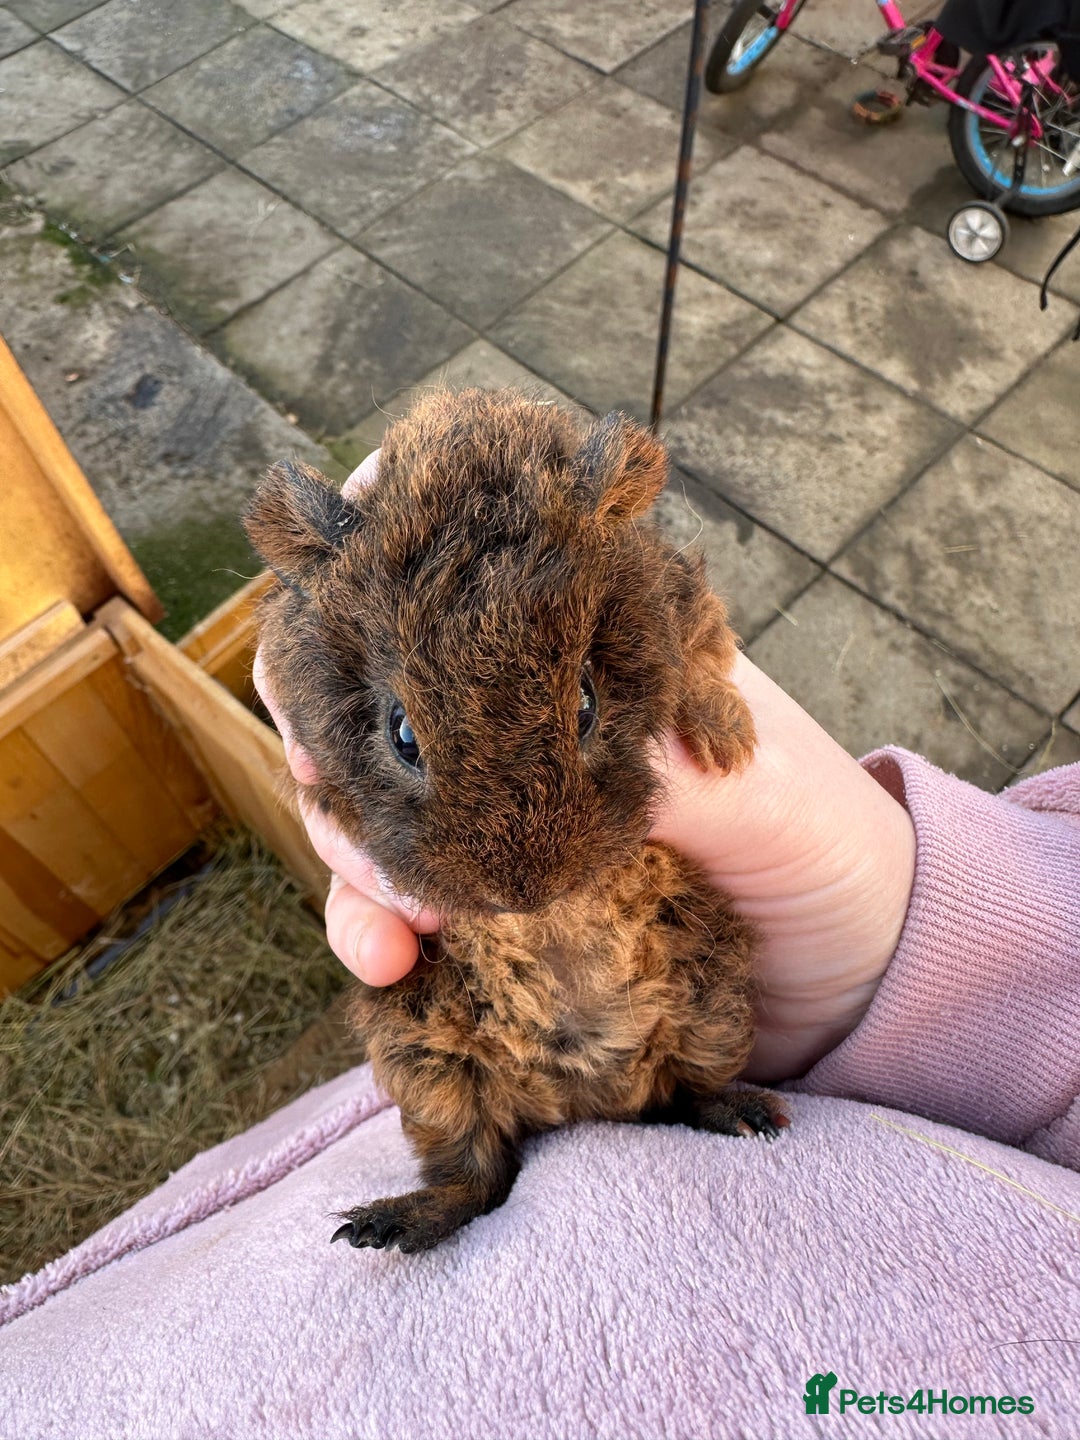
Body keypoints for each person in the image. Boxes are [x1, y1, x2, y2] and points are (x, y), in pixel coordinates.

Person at [2, 455, 1077, 1440]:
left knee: (691, 981)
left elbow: (687, 611)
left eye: (579, 708)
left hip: (653, 978)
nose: (523, 865)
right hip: (479, 1000)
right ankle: (465, 1181)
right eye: (406, 734)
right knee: (416, 1028)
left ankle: (691, 1094)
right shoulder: (325, 625)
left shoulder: (624, 570)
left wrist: (699, 687)